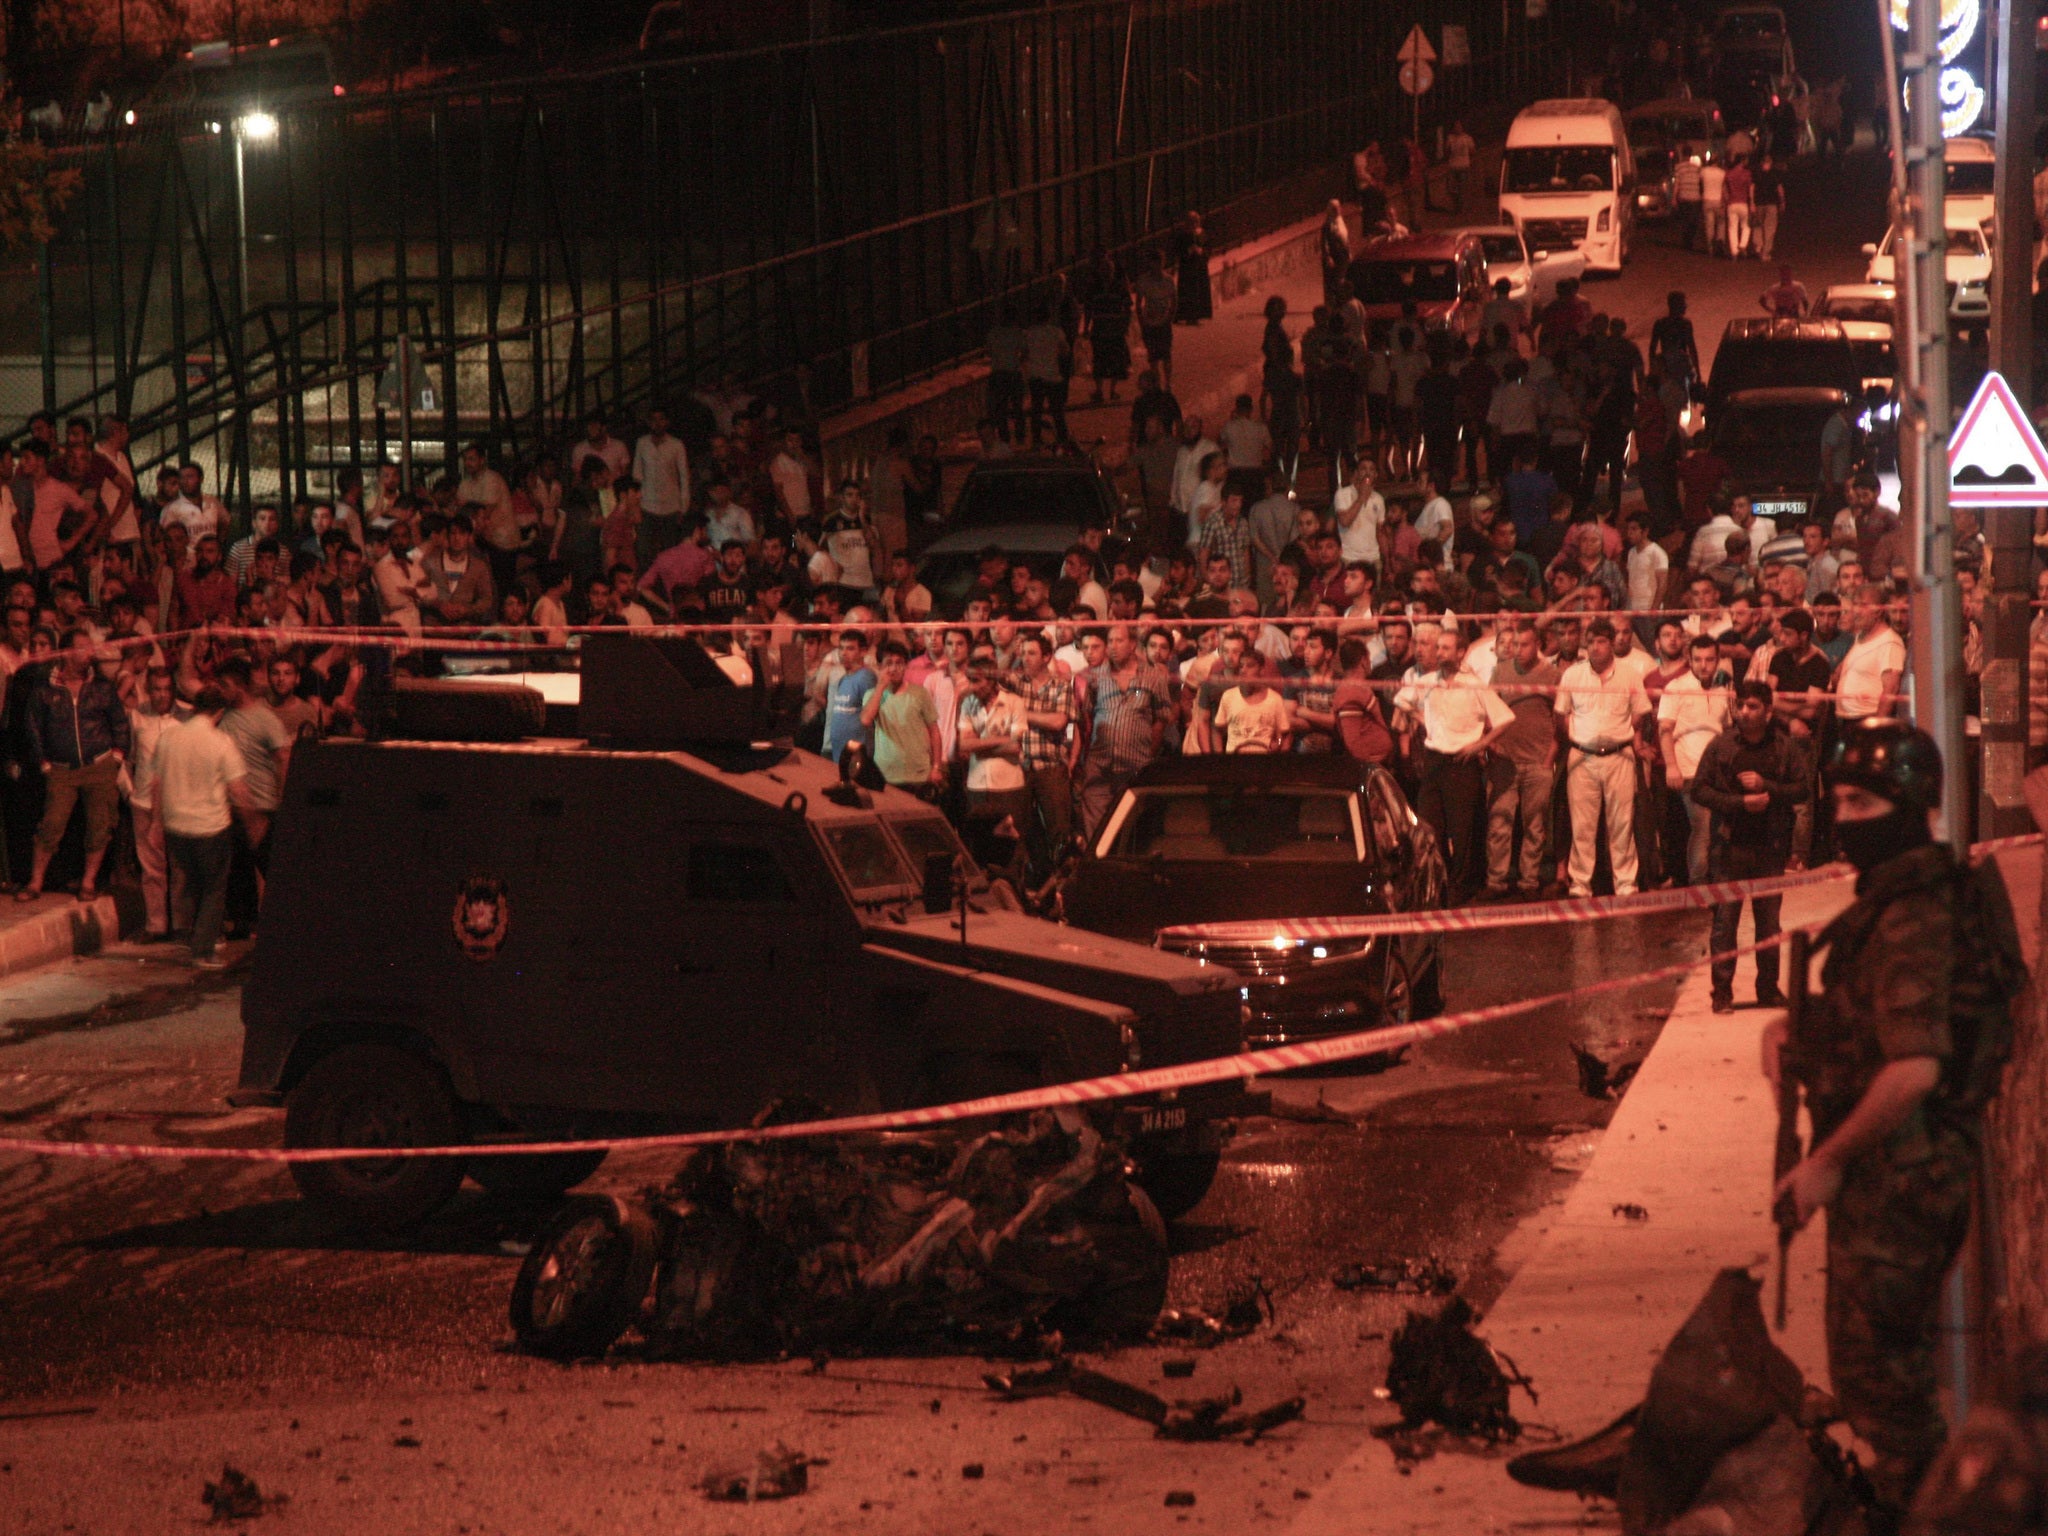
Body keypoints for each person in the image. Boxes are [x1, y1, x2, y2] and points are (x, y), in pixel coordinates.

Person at [1764, 722, 2024, 1524]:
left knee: (1884, 1390)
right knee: (1874, 1376)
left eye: (1864, 801)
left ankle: (1923, 1512)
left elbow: (1914, 1067)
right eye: (1838, 798)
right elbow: (1872, 1025)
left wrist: (1828, 1163)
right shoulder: (1898, 898)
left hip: (1902, 1175)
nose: (1846, 816)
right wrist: (1794, 1036)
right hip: (1895, 1171)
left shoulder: (1914, 911)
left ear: (1909, 808)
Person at [1692, 679, 1807, 1012]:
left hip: (1770, 847)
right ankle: (1722, 993)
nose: (1744, 711)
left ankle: (1767, 989)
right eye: (1740, 705)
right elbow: (1699, 789)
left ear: (1769, 711)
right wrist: (1738, 802)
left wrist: (1768, 788)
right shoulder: (1721, 746)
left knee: (1768, 924)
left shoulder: (1784, 748)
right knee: (1725, 924)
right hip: (1729, 848)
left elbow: (1802, 789)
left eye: (1753, 706)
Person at [1395, 624, 1514, 898]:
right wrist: (1421, 718)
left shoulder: (1473, 684)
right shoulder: (1427, 681)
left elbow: (1505, 717)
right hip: (1434, 760)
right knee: (1429, 828)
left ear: (1461, 652)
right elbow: (1401, 700)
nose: (1439, 652)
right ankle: (1436, 883)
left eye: (1446, 648)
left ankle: (1459, 886)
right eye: (1438, 647)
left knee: (1461, 831)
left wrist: (1481, 744)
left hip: (1462, 764)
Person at [152, 685, 263, 968]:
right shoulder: (220, 742)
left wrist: (156, 821)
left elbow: (156, 782)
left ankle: (194, 935)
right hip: (210, 828)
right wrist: (253, 823)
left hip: (176, 825)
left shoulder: (169, 737)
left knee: (191, 884)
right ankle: (203, 950)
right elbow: (238, 789)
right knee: (214, 888)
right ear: (219, 712)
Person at [18, 629, 129, 903]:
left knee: (100, 824)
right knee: (51, 824)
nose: (90, 652)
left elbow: (119, 722)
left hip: (99, 765)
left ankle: (89, 881)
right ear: (67, 652)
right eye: (83, 647)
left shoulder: (101, 686)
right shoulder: (45, 688)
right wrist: (43, 761)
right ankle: (36, 881)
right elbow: (33, 727)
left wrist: (116, 757)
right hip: (61, 768)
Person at [1554, 617, 1651, 898]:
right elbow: (1561, 715)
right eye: (1591, 642)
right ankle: (1580, 883)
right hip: (1581, 756)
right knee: (1582, 824)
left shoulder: (1630, 674)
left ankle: (1625, 882)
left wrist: (1623, 735)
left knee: (1622, 823)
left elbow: (1640, 712)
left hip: (1620, 755)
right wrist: (1579, 736)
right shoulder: (1573, 675)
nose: (1595, 648)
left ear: (1611, 644)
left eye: (1601, 641)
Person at [1483, 621, 1562, 899]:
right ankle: (1497, 881)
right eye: (1514, 644)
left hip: (1537, 761)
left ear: (1538, 645)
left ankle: (1529, 881)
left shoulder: (1552, 675)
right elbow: (1487, 710)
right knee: (1499, 823)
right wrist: (1491, 744)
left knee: (1534, 824)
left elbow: (1560, 718)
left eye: (1524, 644)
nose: (1517, 650)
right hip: (1505, 762)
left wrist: (1549, 756)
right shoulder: (1501, 671)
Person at [859, 640, 943, 798]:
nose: (893, 668)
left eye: (899, 663)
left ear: (905, 666)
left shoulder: (919, 693)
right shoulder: (872, 695)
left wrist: (936, 767)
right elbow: (865, 720)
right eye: (888, 663)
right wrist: (881, 687)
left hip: (919, 775)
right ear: (879, 666)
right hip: (886, 776)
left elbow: (934, 731)